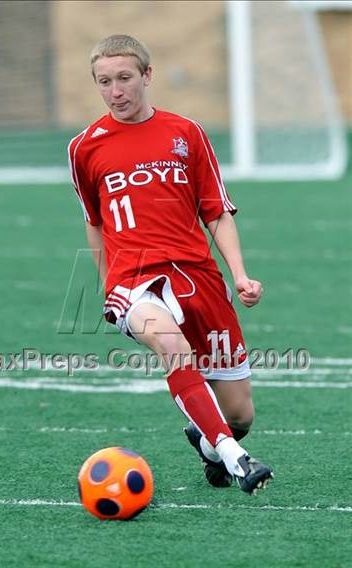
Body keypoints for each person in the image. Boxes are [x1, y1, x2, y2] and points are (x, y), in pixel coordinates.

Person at [68, 34, 273, 494]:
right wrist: (109, 287)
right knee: (171, 345)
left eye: (124, 78)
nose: (115, 91)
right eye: (104, 82)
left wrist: (239, 274)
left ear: (147, 75)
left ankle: (212, 441)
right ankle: (237, 459)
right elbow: (95, 222)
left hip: (196, 275)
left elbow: (215, 211)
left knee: (239, 414)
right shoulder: (84, 148)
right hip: (134, 281)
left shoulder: (187, 134)